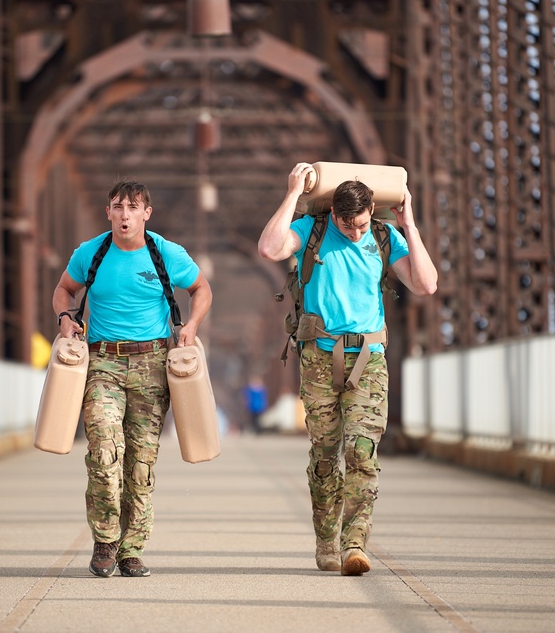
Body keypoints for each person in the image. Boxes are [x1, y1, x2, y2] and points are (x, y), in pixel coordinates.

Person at [257, 162, 438, 576]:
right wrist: (291, 195)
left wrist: (409, 225)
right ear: (334, 215)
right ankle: (326, 538)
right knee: (325, 455)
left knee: (361, 452)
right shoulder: (312, 231)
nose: (355, 232)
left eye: (361, 223)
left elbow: (426, 284)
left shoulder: (383, 235)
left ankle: (354, 543)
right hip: (319, 358)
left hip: (369, 360)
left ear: (372, 210)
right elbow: (269, 248)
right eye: (347, 224)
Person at [52, 179, 212, 578]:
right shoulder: (90, 252)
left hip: (152, 366)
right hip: (103, 363)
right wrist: (66, 317)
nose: (125, 215)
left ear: (146, 213)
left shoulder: (165, 253)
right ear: (108, 212)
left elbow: (201, 288)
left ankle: (132, 550)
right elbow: (63, 290)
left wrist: (191, 325)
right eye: (118, 207)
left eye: (133, 207)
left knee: (140, 464)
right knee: (104, 452)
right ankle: (106, 541)